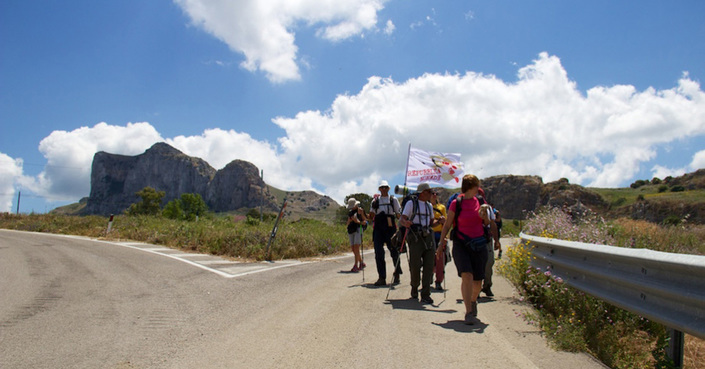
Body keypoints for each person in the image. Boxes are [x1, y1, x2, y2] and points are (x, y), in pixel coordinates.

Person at [437, 174, 491, 324]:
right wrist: (441, 244)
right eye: (477, 186)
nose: (478, 189)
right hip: (461, 244)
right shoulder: (456, 203)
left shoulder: (480, 201)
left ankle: (473, 300)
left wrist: (485, 216)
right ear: (471, 187)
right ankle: (468, 312)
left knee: (478, 282)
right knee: (467, 275)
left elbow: (487, 223)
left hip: (479, 244)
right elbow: (447, 225)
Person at [400, 183, 435, 304]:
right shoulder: (411, 204)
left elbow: (431, 223)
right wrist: (406, 223)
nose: (431, 194)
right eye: (429, 192)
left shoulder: (429, 206)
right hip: (415, 237)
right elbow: (402, 219)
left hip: (428, 236)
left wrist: (439, 222)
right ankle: (414, 286)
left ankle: (425, 293)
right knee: (415, 265)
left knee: (429, 265)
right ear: (423, 192)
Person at [368, 180, 402, 286]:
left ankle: (397, 273)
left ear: (388, 188)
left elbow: (398, 214)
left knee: (394, 251)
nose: (383, 189)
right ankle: (381, 277)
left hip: (390, 228)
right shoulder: (375, 201)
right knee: (378, 252)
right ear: (379, 189)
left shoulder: (393, 200)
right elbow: (371, 216)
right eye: (382, 187)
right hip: (378, 228)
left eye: (385, 187)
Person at [477, 189, 501, 297]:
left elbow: (493, 225)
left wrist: (496, 241)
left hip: (486, 239)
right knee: (476, 265)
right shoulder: (469, 208)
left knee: (489, 262)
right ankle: (475, 288)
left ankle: (487, 286)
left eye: (481, 195)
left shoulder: (489, 209)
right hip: (474, 240)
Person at [430, 191, 448, 291]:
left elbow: (446, 222)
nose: (434, 195)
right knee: (429, 258)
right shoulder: (426, 206)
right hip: (428, 235)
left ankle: (438, 281)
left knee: (440, 259)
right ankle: (429, 276)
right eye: (432, 193)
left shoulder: (442, 207)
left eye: (436, 193)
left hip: (439, 235)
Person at [346, 198, 367, 272]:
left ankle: (356, 265)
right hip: (351, 230)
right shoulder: (350, 212)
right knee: (353, 248)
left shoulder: (360, 210)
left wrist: (358, 221)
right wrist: (350, 221)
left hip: (358, 230)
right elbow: (347, 223)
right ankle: (361, 262)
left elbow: (365, 221)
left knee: (356, 247)